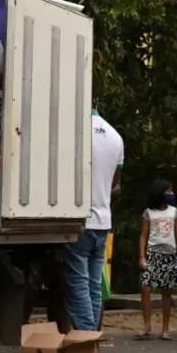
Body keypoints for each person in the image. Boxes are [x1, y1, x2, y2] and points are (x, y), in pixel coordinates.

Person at [64, 96, 123, 338]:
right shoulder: (115, 137)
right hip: (103, 222)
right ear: (98, 99)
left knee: (78, 286)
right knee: (93, 287)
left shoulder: (73, 131)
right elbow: (115, 185)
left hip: (80, 221)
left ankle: (87, 341)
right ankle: (93, 341)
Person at [135, 179, 177, 341]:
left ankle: (165, 328)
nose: (171, 194)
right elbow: (143, 235)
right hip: (152, 253)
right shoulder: (148, 213)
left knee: (166, 290)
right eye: (168, 191)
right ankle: (147, 325)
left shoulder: (174, 212)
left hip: (169, 254)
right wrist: (142, 256)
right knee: (145, 286)